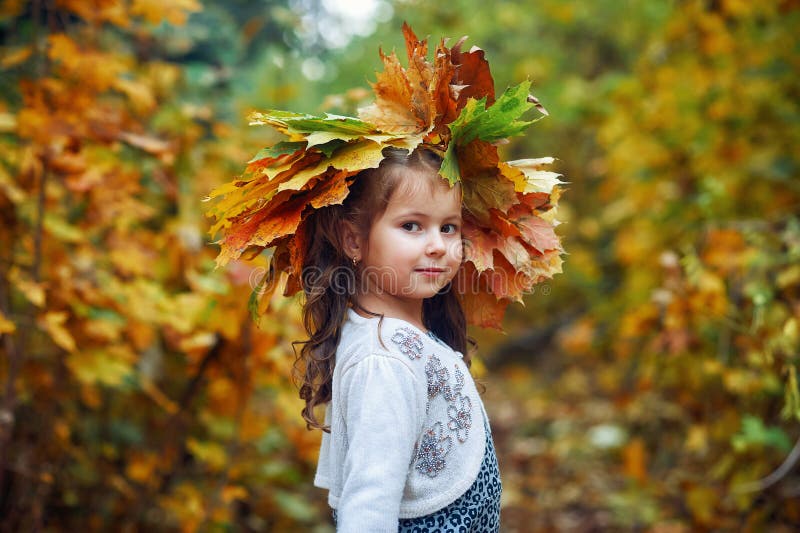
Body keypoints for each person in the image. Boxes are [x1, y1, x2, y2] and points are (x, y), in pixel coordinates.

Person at [298, 147, 501, 531]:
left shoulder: (401, 337)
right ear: (354, 241)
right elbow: (369, 503)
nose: (438, 245)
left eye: (448, 227)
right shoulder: (383, 361)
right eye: (411, 226)